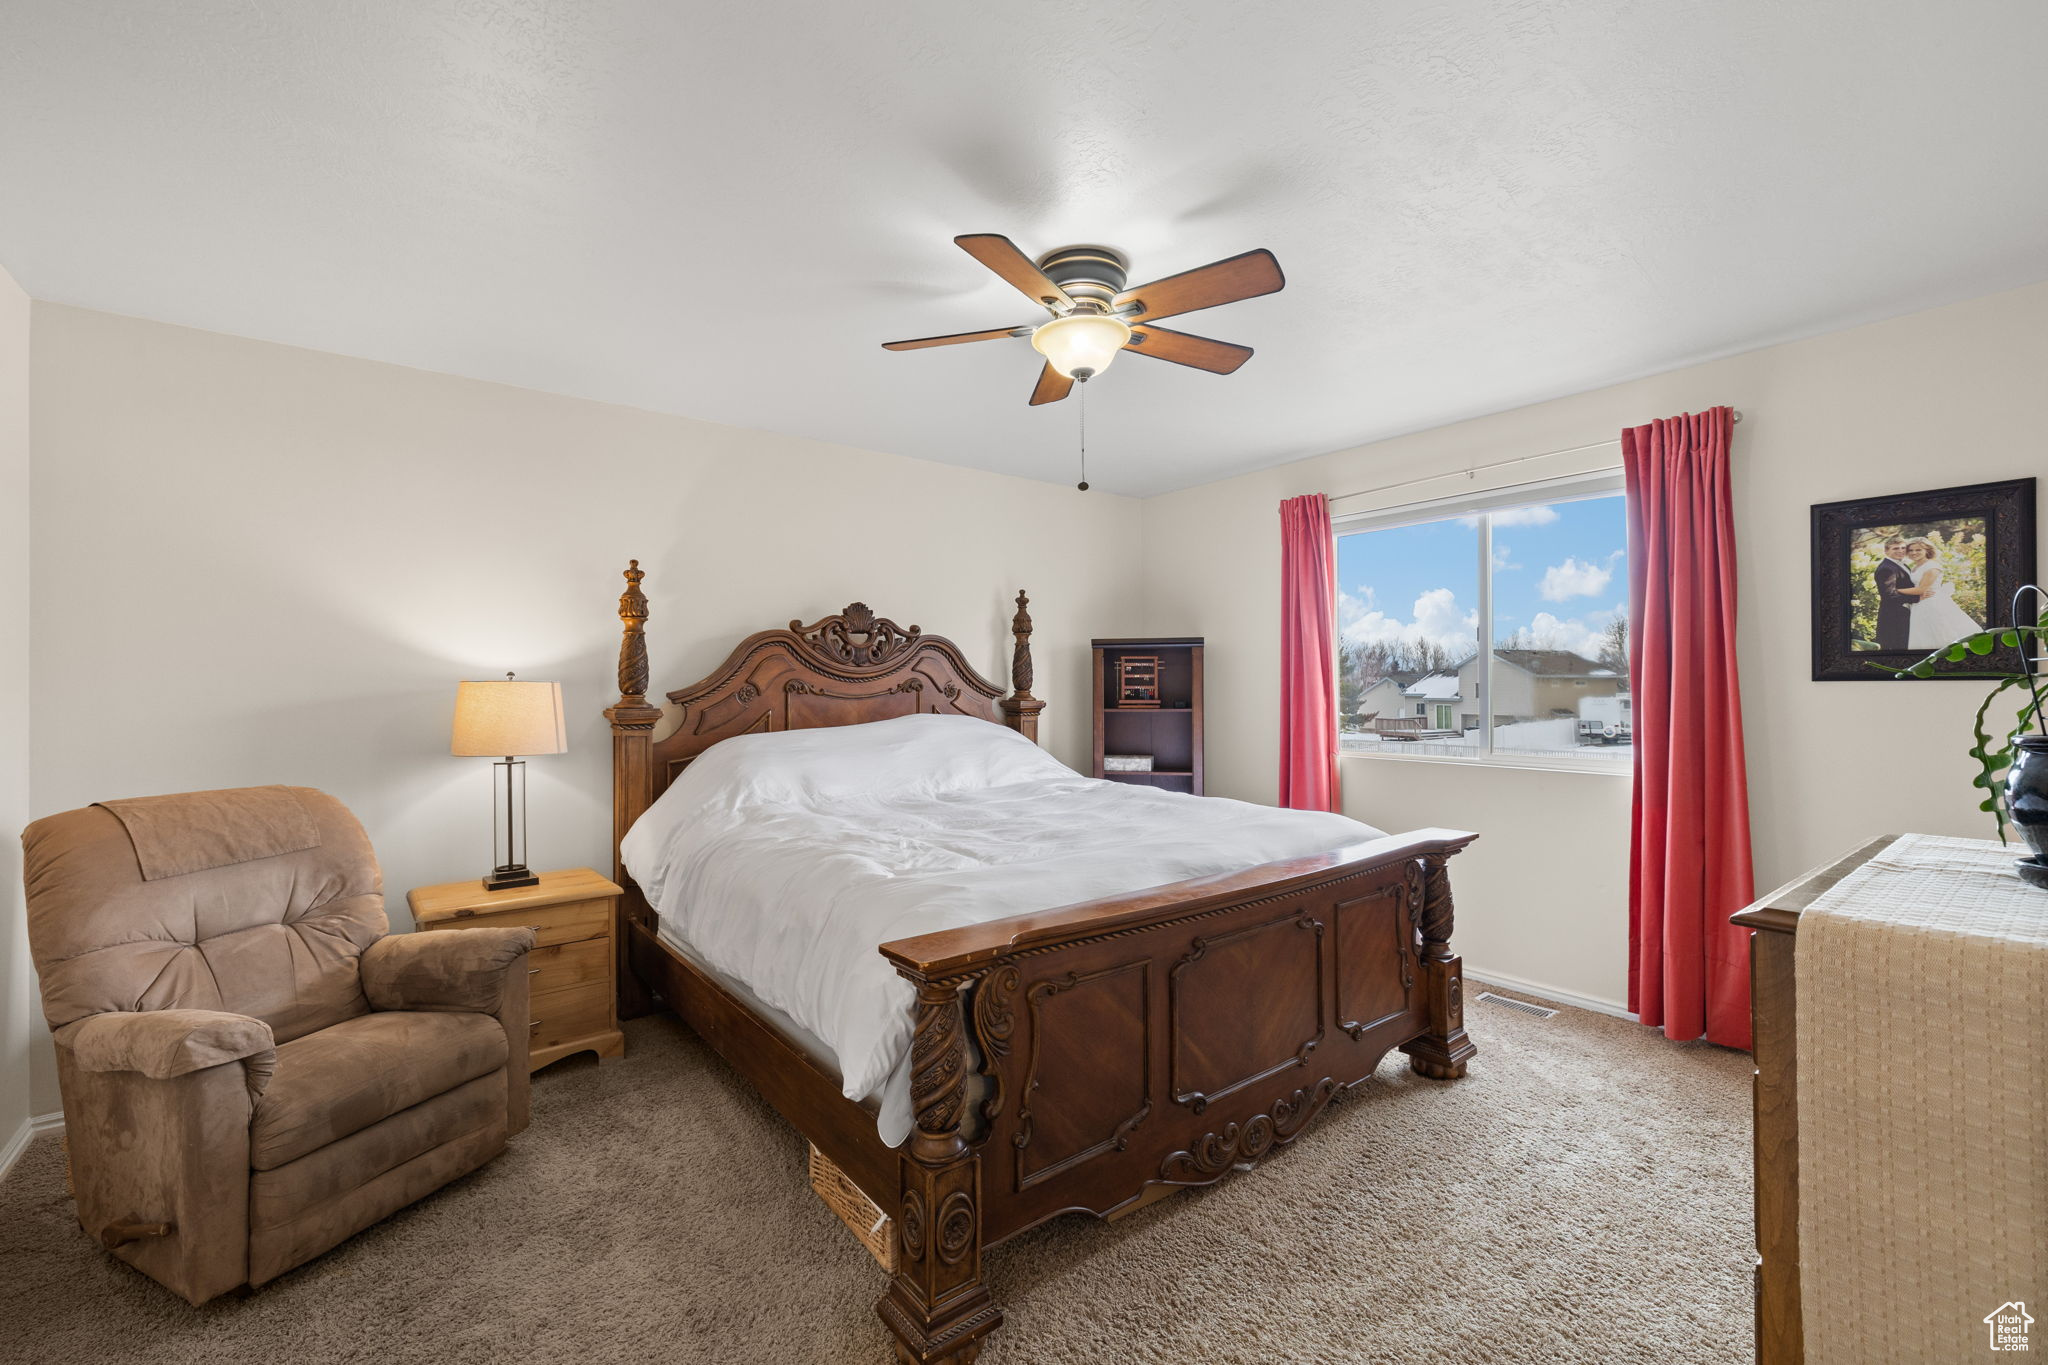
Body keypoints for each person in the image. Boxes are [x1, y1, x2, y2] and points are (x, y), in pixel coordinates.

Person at [1898, 538, 1982, 650]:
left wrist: (1896, 591)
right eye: (1911, 550)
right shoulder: (1915, 566)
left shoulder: (1932, 566)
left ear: (1927, 550)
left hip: (1932, 603)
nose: (1914, 553)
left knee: (1940, 631)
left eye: (1918, 550)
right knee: (1924, 633)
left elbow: (1921, 589)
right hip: (1920, 603)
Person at [1871, 535, 1915, 650]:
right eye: (1895, 548)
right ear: (1886, 551)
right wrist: (1918, 598)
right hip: (1894, 617)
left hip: (1903, 613)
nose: (1900, 551)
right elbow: (1889, 595)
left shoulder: (1902, 565)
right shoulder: (1887, 569)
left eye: (1903, 548)